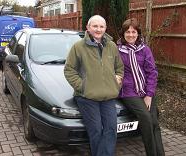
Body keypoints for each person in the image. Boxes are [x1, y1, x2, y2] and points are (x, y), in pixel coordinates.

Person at [64, 15, 124, 156]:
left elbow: (119, 67)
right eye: (95, 26)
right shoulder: (78, 47)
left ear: (105, 28)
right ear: (88, 28)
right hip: (87, 97)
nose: (98, 29)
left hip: (108, 96)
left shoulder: (112, 46)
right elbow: (69, 70)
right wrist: (82, 86)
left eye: (101, 26)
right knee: (96, 130)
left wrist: (117, 80)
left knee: (110, 129)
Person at [117, 18, 165, 156]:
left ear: (138, 34)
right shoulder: (117, 50)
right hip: (128, 92)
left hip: (146, 90)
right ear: (123, 34)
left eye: (134, 32)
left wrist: (149, 95)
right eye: (128, 32)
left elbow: (152, 72)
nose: (131, 34)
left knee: (154, 123)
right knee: (146, 118)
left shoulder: (145, 50)